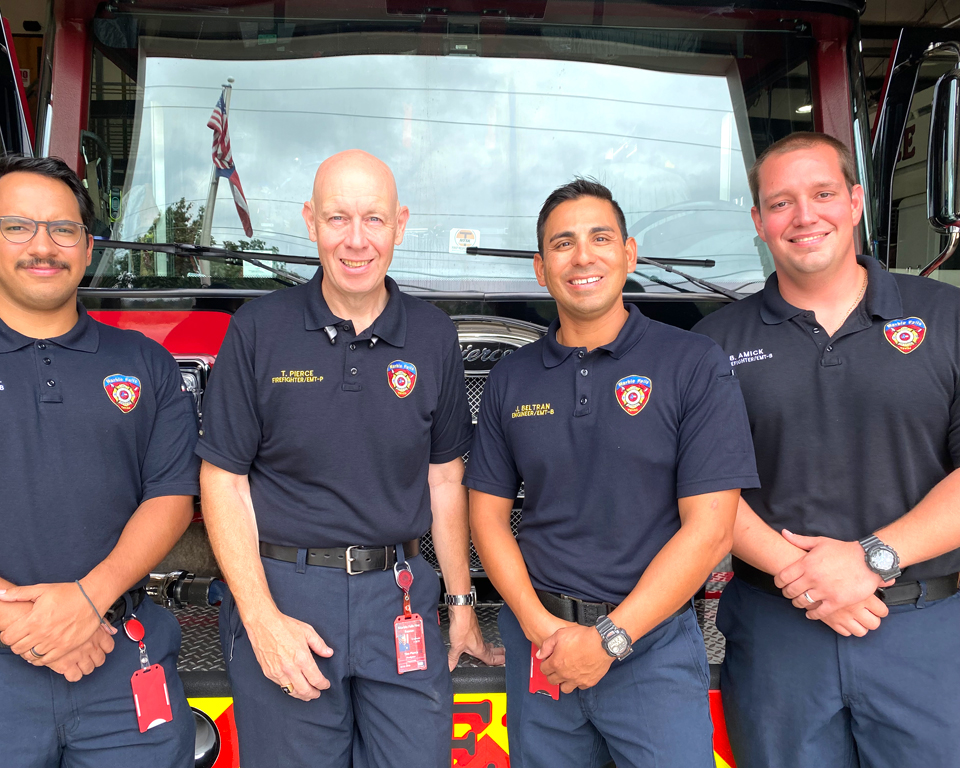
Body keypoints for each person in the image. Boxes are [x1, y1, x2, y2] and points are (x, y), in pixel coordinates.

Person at [196, 149, 503, 768]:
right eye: (338, 219)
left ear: (401, 224)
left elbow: (445, 480)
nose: (356, 241)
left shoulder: (434, 335)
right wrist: (260, 619)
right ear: (310, 222)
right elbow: (222, 483)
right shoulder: (257, 331)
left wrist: (462, 608)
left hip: (402, 599)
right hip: (288, 599)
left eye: (374, 220)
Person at [465, 178, 759, 768]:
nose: (583, 256)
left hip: (652, 648)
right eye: (562, 243)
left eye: (600, 238)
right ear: (541, 269)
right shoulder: (511, 377)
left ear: (628, 254)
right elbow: (487, 517)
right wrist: (539, 626)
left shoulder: (691, 363)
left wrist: (610, 639)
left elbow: (711, 530)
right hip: (542, 648)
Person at [694, 131, 960, 767]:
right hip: (778, 635)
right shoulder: (710, 344)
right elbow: (701, 487)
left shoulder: (948, 318)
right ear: (759, 222)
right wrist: (807, 578)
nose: (804, 216)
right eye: (781, 203)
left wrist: (871, 559)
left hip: (924, 630)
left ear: (857, 200)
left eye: (821, 194)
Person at [0, 155, 199, 767]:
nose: (43, 246)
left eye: (63, 229)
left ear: (86, 248)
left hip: (119, 662)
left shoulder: (147, 362)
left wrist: (86, 602)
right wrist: (40, 626)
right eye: (19, 227)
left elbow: (170, 496)